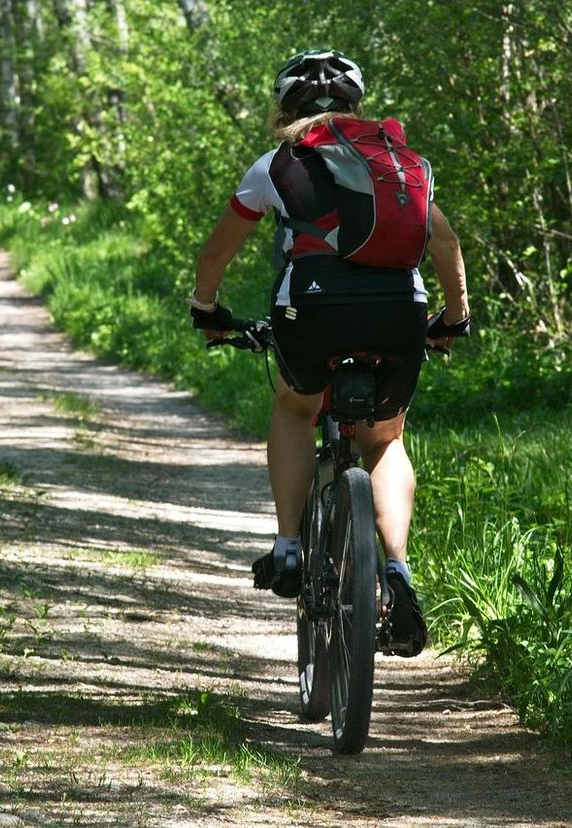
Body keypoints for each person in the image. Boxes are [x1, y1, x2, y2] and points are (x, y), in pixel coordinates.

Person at [189, 50, 470, 656]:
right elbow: (443, 241)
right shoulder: (398, 162)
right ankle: (397, 570)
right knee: (385, 440)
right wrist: (453, 319)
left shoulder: (275, 165)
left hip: (311, 312)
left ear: (284, 108)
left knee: (295, 406)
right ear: (355, 106)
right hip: (399, 311)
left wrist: (206, 311)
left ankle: (289, 548)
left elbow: (216, 255)